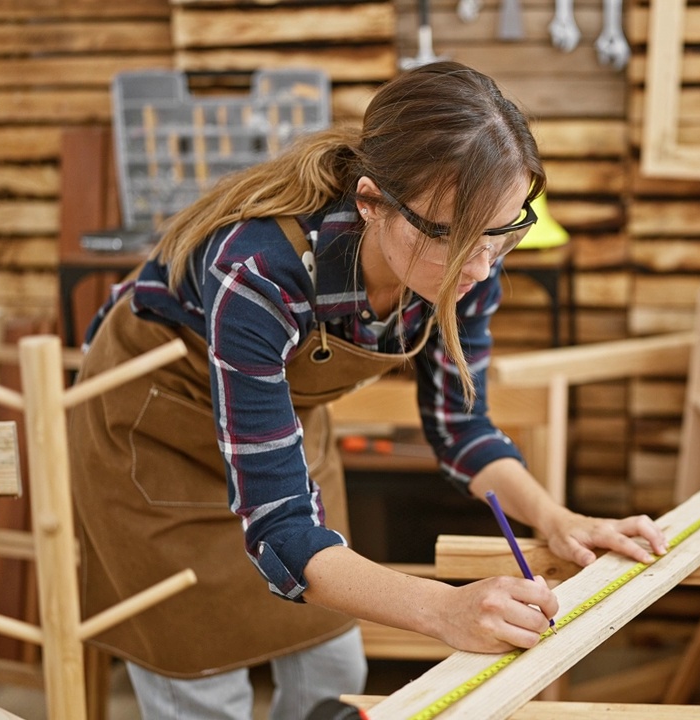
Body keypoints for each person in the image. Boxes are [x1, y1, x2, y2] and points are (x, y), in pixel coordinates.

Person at [66, 61, 668, 719]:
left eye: (501, 235)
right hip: (153, 436)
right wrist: (444, 607)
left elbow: (461, 429)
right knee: (203, 688)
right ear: (371, 201)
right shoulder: (259, 273)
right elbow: (281, 531)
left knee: (333, 666)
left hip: (275, 428)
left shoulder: (472, 261)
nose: (479, 266)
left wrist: (558, 519)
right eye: (453, 236)